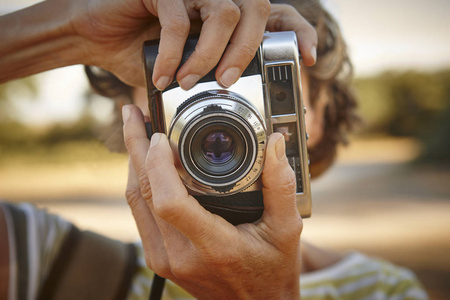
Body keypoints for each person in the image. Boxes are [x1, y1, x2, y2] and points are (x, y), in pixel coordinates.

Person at [0, 0, 428, 299]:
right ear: (132, 111)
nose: (221, 122)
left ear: (317, 112)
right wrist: (75, 29)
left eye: (266, 92)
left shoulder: (383, 292)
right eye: (183, 94)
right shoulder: (56, 266)